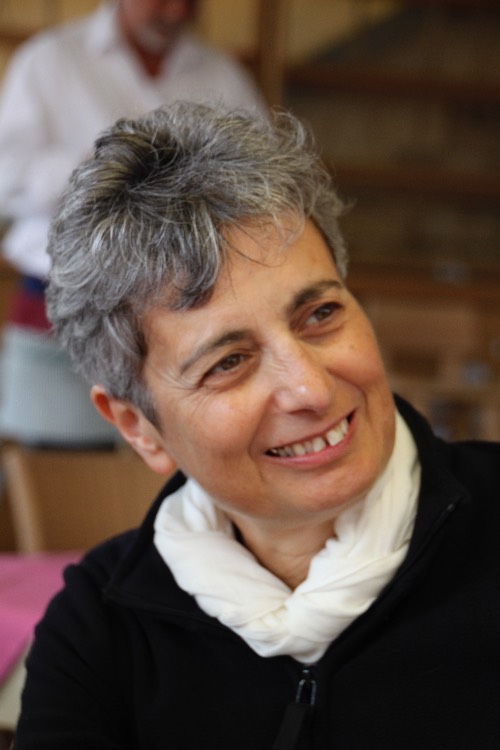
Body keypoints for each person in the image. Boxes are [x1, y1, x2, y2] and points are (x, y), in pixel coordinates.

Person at [14, 102, 500, 749]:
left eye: (320, 314)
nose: (310, 388)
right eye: (229, 362)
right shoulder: (99, 632)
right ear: (138, 427)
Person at [0, 0, 266, 446]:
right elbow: (6, 176)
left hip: (190, 308)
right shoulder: (50, 60)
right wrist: (102, 170)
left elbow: (258, 180)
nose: (176, 13)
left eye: (189, 1)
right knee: (55, 465)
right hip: (61, 304)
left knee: (179, 461)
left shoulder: (223, 75)